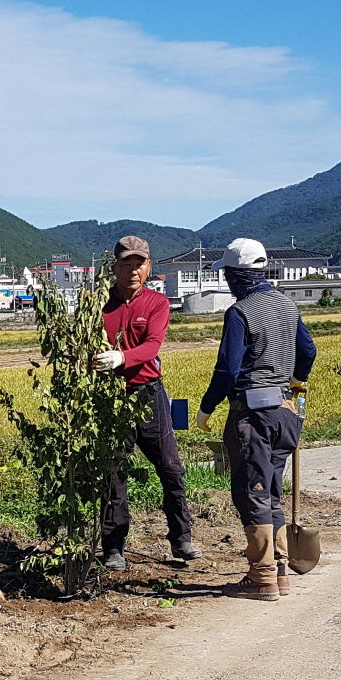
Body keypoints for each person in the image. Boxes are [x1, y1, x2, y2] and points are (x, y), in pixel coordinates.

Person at [195, 238, 317, 602]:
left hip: (252, 415)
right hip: (284, 413)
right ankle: (279, 572)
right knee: (272, 491)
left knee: (253, 493)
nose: (228, 282)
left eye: (229, 275)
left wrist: (207, 406)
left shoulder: (241, 312)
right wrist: (296, 380)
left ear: (238, 275)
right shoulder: (287, 305)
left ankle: (262, 578)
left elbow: (228, 369)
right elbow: (308, 350)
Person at [93, 234, 198, 570]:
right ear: (115, 268)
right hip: (112, 399)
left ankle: (182, 539)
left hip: (149, 394)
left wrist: (120, 358)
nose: (132, 271)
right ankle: (113, 548)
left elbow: (152, 347)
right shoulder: (99, 306)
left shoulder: (156, 303)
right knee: (113, 474)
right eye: (126, 264)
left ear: (148, 267)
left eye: (138, 264)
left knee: (170, 468)